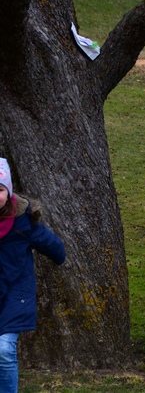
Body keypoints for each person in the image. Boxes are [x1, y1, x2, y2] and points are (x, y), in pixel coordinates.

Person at [0, 158, 65, 393]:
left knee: (4, 350)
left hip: (15, 294)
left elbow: (52, 245)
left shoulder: (22, 222)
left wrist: (59, 255)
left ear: (8, 191)